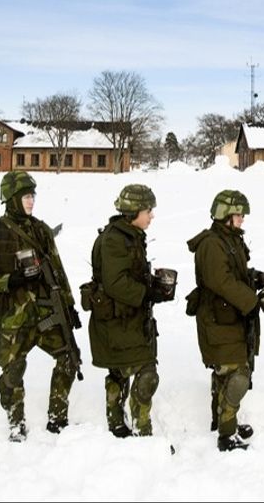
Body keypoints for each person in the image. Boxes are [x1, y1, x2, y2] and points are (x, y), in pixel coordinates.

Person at [0, 170, 82, 442]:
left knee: (69, 357)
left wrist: (69, 305)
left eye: (32, 196)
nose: (31, 201)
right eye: (26, 197)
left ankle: (57, 418)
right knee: (13, 370)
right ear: (11, 199)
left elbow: (58, 270)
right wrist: (9, 280)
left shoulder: (41, 230)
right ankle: (15, 422)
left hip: (46, 313)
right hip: (13, 318)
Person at [186, 189, 264, 451]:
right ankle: (226, 437)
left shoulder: (229, 240)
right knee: (237, 375)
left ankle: (224, 422)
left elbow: (233, 273)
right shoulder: (212, 244)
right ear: (226, 216)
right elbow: (220, 281)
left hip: (229, 319)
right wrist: (251, 301)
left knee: (226, 373)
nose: (242, 219)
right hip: (218, 321)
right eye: (239, 215)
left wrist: (256, 277)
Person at [85, 184, 171, 438]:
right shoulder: (115, 239)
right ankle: (142, 431)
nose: (152, 215)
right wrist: (147, 293)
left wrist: (152, 286)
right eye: (148, 210)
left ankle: (115, 423)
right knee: (146, 373)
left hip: (124, 318)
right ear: (134, 211)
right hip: (116, 321)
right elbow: (115, 282)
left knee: (120, 370)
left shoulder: (128, 235)